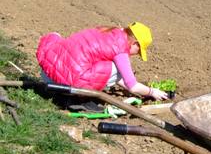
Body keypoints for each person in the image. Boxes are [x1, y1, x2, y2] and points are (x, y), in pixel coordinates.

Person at [36, 22, 168, 101]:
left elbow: (119, 79)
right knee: (115, 67)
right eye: (138, 51)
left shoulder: (107, 30)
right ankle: (78, 98)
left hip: (47, 73)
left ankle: (67, 91)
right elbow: (132, 85)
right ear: (136, 43)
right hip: (66, 85)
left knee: (60, 40)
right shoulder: (120, 49)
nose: (135, 55)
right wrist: (152, 92)